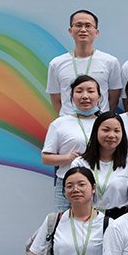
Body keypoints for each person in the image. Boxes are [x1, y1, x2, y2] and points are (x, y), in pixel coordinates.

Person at [42, 75, 102, 211]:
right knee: (63, 221)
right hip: (68, 183)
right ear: (72, 97)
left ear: (99, 97)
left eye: (90, 91)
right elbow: (46, 158)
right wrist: (69, 158)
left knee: (97, 222)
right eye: (79, 91)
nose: (85, 96)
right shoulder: (60, 123)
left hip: (100, 182)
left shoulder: (106, 123)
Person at [46, 10, 121, 116]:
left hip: (99, 122)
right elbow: (56, 100)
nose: (83, 30)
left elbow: (113, 99)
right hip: (69, 123)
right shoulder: (56, 64)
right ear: (71, 31)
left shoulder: (110, 62)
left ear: (96, 32)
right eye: (78, 25)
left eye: (88, 26)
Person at [72, 112, 128, 212]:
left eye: (117, 131)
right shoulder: (79, 164)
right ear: (96, 131)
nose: (111, 135)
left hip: (121, 217)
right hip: (89, 216)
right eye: (106, 130)